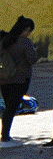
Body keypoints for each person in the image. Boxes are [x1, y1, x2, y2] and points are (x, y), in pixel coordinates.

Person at [0, 16, 37, 146]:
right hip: (20, 79)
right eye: (30, 31)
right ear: (26, 29)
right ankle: (5, 137)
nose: (29, 34)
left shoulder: (5, 40)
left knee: (8, 107)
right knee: (11, 108)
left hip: (4, 78)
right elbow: (32, 60)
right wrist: (35, 51)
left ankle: (5, 135)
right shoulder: (25, 42)